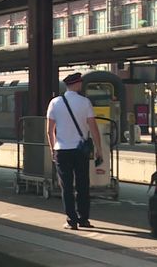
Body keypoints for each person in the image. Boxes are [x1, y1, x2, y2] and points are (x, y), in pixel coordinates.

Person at [46, 72, 102, 230]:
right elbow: (94, 128)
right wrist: (99, 149)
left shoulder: (54, 103)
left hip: (62, 150)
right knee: (83, 184)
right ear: (77, 84)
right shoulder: (85, 102)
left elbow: (50, 131)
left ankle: (72, 221)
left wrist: (52, 149)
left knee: (67, 187)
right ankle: (84, 218)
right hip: (80, 150)